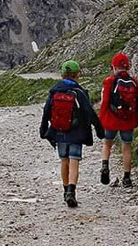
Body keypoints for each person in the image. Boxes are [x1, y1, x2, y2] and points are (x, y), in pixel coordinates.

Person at [40, 60, 105, 208]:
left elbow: (46, 111)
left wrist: (43, 129)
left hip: (59, 131)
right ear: (78, 75)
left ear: (62, 75)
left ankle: (65, 191)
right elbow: (89, 112)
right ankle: (71, 191)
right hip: (76, 132)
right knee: (74, 160)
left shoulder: (54, 92)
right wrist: (99, 130)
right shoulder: (79, 92)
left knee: (64, 161)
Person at [99, 52, 138, 187]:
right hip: (128, 121)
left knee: (107, 144)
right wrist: (136, 120)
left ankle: (105, 166)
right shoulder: (135, 82)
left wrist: (101, 119)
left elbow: (105, 102)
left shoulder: (109, 81)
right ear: (127, 67)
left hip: (111, 120)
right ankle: (127, 178)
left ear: (114, 67)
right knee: (126, 147)